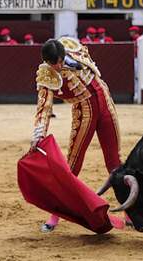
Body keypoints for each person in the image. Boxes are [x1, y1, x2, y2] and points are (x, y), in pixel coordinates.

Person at [29, 37, 122, 233]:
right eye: (56, 63)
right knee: (72, 166)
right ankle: (55, 216)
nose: (60, 65)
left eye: (62, 60)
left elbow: (84, 62)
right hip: (84, 111)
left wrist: (71, 61)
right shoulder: (46, 75)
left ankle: (129, 212)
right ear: (47, 62)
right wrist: (39, 133)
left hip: (105, 100)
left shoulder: (70, 46)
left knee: (114, 163)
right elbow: (44, 107)